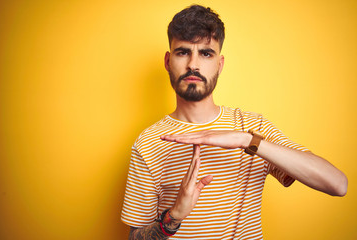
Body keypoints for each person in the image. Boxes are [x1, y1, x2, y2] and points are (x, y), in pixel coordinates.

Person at [121, 4, 348, 240]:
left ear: (219, 64)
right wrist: (175, 216)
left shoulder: (253, 127)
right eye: (183, 52)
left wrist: (247, 140)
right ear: (168, 61)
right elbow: (135, 237)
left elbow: (337, 184)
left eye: (206, 53)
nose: (193, 65)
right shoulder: (148, 142)